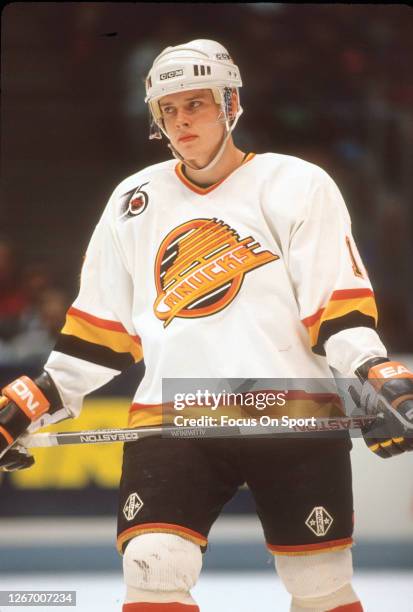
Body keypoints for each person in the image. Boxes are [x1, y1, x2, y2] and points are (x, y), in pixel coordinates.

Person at [1, 39, 412, 612]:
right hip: (175, 416)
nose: (181, 120)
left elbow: (336, 308)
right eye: (168, 109)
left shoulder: (295, 183)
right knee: (153, 564)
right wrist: (36, 397)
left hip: (293, 410)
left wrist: (374, 375)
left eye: (195, 103)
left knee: (318, 581)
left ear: (230, 103)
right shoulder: (132, 201)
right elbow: (100, 329)